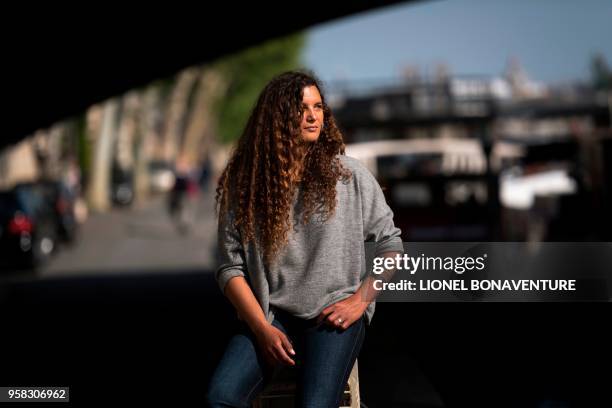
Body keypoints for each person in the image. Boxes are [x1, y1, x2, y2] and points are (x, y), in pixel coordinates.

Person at [207, 71, 403, 407]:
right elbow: (230, 268)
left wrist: (360, 301)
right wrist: (261, 329)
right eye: (301, 108)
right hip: (271, 315)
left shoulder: (350, 174)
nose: (313, 116)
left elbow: (391, 245)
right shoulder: (248, 185)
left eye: (317, 107)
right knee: (220, 398)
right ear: (278, 118)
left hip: (332, 315)